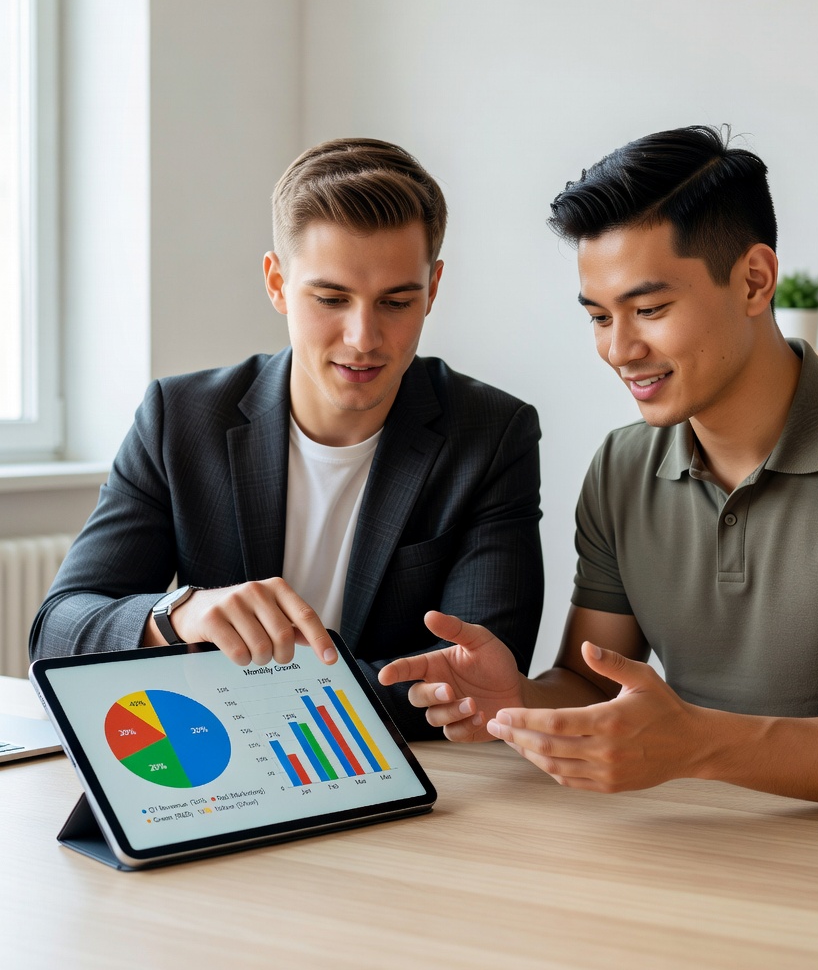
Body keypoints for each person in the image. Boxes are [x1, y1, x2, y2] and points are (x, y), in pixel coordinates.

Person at [380, 125, 818, 802]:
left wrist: (702, 744)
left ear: (754, 281)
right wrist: (520, 700)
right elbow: (595, 683)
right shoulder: (623, 468)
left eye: (650, 309)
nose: (619, 349)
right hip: (693, 848)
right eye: (599, 316)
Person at [30, 138, 544, 740]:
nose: (363, 338)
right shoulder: (180, 418)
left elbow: (472, 678)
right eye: (331, 298)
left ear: (432, 289)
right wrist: (179, 614)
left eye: (397, 301)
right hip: (220, 767)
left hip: (414, 777)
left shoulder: (491, 433)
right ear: (277, 283)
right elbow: (58, 633)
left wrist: (233, 697)